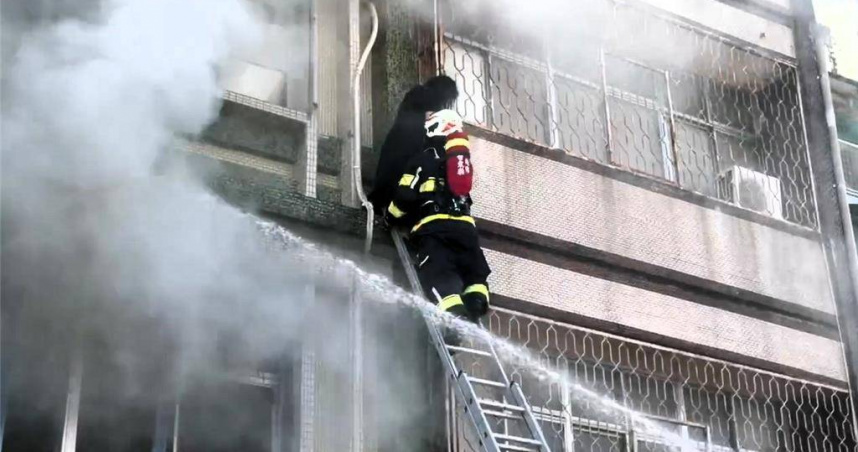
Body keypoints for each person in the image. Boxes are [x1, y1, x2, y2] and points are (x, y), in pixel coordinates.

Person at [380, 76, 491, 327]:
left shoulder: (422, 159)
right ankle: (476, 298)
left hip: (433, 229)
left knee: (439, 272)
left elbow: (405, 194)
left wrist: (390, 216)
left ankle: (452, 317)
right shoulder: (458, 161)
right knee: (473, 268)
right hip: (465, 229)